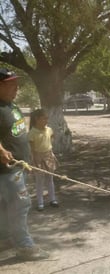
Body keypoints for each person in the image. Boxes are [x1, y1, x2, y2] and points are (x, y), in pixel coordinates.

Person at [0, 68, 49, 260]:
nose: (17, 87)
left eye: (16, 83)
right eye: (11, 83)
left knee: (6, 207)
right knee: (20, 206)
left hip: (19, 168)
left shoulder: (11, 106)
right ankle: (24, 246)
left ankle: (4, 239)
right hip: (6, 170)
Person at [28, 109, 59, 211]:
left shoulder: (49, 129)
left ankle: (52, 199)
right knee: (39, 181)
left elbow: (51, 139)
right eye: (44, 118)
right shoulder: (32, 132)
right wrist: (34, 159)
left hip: (48, 156)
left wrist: (50, 152)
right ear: (37, 119)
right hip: (37, 158)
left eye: (47, 118)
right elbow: (32, 148)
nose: (46, 120)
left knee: (50, 179)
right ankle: (40, 203)